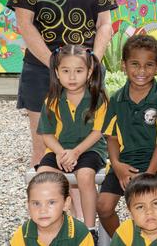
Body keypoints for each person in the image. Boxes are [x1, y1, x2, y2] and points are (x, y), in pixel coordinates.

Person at [7, 0, 116, 168]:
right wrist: (54, 65)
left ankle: (80, 211)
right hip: (43, 71)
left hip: (86, 73)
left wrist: (92, 62)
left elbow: (105, 24)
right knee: (45, 152)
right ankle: (49, 210)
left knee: (87, 155)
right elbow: (25, 24)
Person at [97, 35, 157, 236]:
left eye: (148, 65)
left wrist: (149, 174)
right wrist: (117, 165)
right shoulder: (117, 99)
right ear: (124, 65)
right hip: (124, 163)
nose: (141, 71)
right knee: (104, 207)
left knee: (155, 212)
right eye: (135, 64)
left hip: (155, 165)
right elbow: (112, 137)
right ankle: (127, 241)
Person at [36, 44, 107, 238]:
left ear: (89, 71)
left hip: (90, 149)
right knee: (43, 178)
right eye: (66, 71)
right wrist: (60, 152)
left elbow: (98, 132)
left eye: (78, 71)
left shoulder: (98, 98)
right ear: (57, 72)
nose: (72, 77)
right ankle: (53, 225)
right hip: (59, 149)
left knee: (84, 175)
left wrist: (75, 152)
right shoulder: (52, 100)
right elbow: (47, 134)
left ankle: (90, 228)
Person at [10, 172, 94, 246]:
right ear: (28, 205)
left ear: (66, 203)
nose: (43, 210)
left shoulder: (79, 234)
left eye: (51, 202)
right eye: (36, 203)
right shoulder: (23, 234)